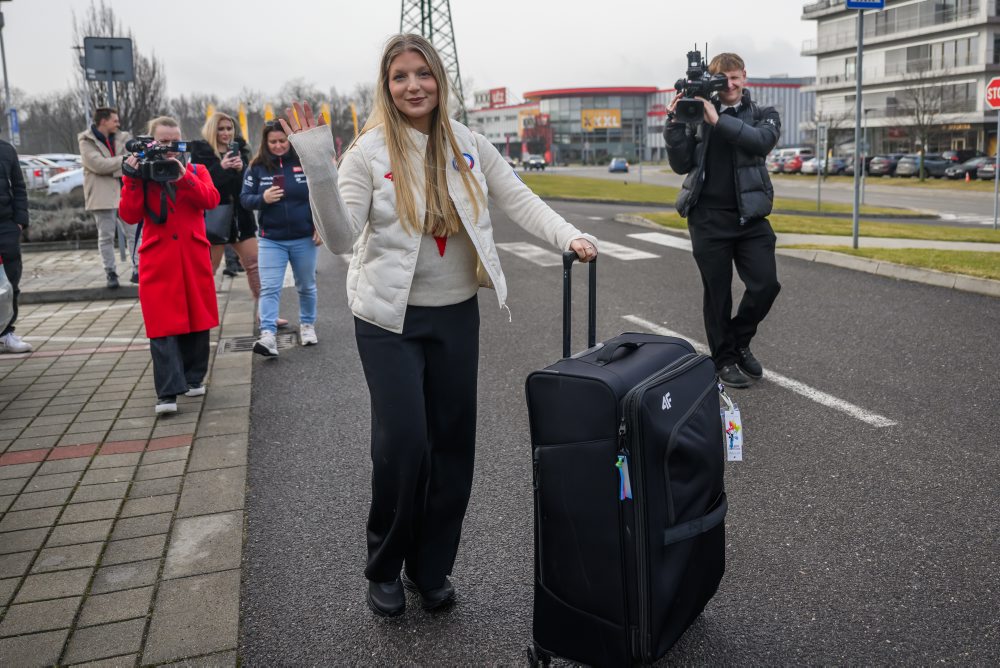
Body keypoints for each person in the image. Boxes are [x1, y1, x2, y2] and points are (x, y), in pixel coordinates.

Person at [282, 33, 599, 618]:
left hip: (455, 314)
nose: (414, 86)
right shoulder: (368, 153)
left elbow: (519, 198)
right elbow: (342, 240)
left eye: (423, 74)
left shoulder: (468, 144)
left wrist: (570, 236)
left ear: (440, 80)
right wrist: (320, 168)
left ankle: (430, 567)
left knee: (453, 447)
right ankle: (384, 566)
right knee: (404, 445)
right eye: (400, 76)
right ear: (386, 86)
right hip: (388, 320)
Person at [665, 52, 782, 389]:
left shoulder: (763, 114)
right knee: (718, 294)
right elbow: (681, 164)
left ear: (744, 76)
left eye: (734, 78)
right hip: (707, 218)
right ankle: (724, 360)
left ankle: (738, 340)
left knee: (766, 285)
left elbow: (761, 143)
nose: (729, 85)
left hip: (750, 218)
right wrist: (674, 123)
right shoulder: (696, 114)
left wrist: (718, 120)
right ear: (713, 82)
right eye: (722, 80)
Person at [118, 116, 220, 415]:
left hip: (193, 256)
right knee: (162, 326)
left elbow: (211, 200)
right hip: (159, 259)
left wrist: (184, 177)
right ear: (150, 142)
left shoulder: (196, 170)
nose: (170, 147)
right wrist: (132, 179)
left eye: (175, 141)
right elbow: (129, 215)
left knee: (197, 319)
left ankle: (194, 377)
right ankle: (167, 393)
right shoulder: (142, 173)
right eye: (163, 141)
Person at [240, 122, 320, 355]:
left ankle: (307, 325)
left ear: (290, 141)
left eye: (282, 141)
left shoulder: (304, 163)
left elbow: (319, 197)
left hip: (303, 238)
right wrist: (262, 198)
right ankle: (267, 334)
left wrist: (319, 226)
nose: (277, 146)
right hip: (271, 239)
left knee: (306, 286)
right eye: (272, 142)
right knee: (269, 287)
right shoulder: (256, 167)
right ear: (265, 143)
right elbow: (245, 199)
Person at [190, 113, 263, 306]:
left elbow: (248, 187)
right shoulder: (201, 153)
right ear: (212, 130)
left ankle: (265, 313)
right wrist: (221, 168)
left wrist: (241, 170)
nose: (226, 133)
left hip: (241, 218)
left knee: (255, 265)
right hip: (214, 218)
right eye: (221, 129)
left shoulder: (241, 150)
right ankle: (202, 313)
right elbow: (202, 186)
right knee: (208, 269)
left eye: (229, 128)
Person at [79, 107, 136, 288]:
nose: (118, 124)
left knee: (134, 233)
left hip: (126, 191)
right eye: (115, 120)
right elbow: (98, 165)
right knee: (106, 236)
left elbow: (133, 161)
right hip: (101, 194)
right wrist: (123, 161)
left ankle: (138, 269)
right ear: (103, 121)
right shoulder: (86, 141)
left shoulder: (124, 137)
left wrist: (116, 164)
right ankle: (110, 272)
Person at [0, 137, 31, 354]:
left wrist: (20, 221)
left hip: (6, 225)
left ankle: (5, 333)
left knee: (10, 282)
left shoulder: (6, 150)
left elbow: (19, 186)